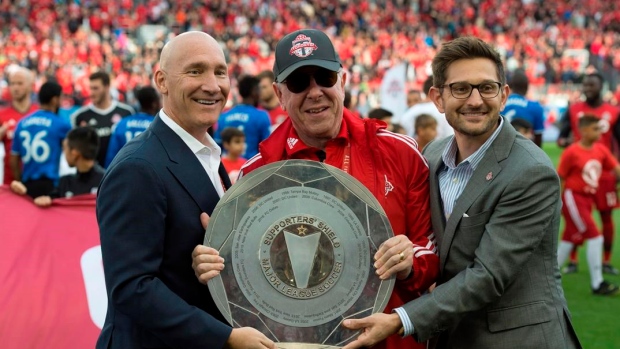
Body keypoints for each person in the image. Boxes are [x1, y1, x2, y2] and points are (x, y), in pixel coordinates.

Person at [192, 28, 439, 349]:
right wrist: (215, 264)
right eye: (298, 83)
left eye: (324, 77)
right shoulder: (255, 174)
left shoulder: (401, 153)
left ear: (343, 82)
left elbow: (431, 251)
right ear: (280, 94)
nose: (315, 92)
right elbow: (241, 282)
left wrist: (409, 262)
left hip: (389, 341)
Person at [342, 36, 581, 349]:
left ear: (504, 94)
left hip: (520, 339)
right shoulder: (431, 154)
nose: (475, 100)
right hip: (454, 335)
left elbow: (488, 275)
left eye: (487, 87)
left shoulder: (531, 171)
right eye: (460, 88)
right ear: (438, 98)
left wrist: (401, 319)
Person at [96, 31, 275, 349]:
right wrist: (226, 338)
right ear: (162, 81)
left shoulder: (207, 153)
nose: (212, 85)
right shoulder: (137, 168)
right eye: (196, 71)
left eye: (220, 71)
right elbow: (132, 287)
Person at [557, 73, 620, 275]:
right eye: (585, 85)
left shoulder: (614, 111)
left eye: (591, 84)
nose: (587, 88)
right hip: (580, 171)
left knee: (606, 216)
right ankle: (573, 260)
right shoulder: (574, 109)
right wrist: (563, 141)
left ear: (601, 86)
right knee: (576, 218)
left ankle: (606, 261)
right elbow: (562, 134)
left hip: (605, 174)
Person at [10, 126, 104, 206]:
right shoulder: (65, 182)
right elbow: (44, 203)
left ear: (74, 153)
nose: (63, 153)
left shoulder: (106, 182)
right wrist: (23, 194)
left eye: (65, 148)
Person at [9, 81, 71, 198]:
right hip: (51, 184)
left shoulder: (22, 123)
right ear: (54, 100)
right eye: (61, 98)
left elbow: (13, 160)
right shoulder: (61, 124)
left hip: (27, 184)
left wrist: (20, 180)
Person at [70, 71, 135, 167]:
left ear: (107, 87)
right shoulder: (80, 116)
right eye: (90, 88)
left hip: (119, 173)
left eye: (96, 88)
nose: (91, 93)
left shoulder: (126, 112)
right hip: (92, 177)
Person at [214, 75, 271, 159]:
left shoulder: (224, 116)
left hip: (228, 169)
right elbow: (267, 149)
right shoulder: (261, 116)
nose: (260, 93)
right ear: (254, 91)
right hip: (252, 169)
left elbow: (217, 148)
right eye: (259, 89)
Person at [104, 86, 160, 167]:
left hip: (124, 174)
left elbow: (111, 158)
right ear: (154, 104)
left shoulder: (122, 124)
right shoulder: (157, 125)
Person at [0, 66, 38, 185]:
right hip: (11, 183)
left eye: (20, 83)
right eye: (12, 84)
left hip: (37, 181)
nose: (15, 88)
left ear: (30, 86)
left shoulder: (39, 113)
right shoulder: (2, 115)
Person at [502, 70, 545, 147]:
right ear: (527, 87)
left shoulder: (500, 104)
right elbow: (538, 136)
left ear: (509, 86)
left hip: (501, 148)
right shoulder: (535, 107)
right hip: (525, 150)